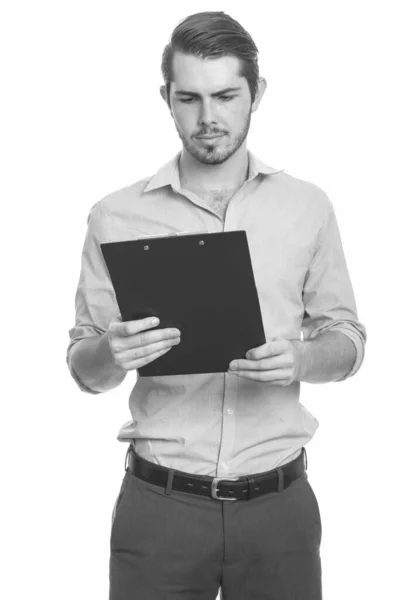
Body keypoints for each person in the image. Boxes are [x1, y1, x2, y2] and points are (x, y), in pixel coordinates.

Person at [67, 11, 366, 600]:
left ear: (257, 93)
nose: (208, 119)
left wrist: (304, 359)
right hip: (159, 513)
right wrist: (110, 351)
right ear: (166, 99)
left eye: (227, 96)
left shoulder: (308, 207)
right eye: (189, 99)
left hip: (279, 512)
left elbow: (349, 339)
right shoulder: (114, 216)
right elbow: (83, 367)